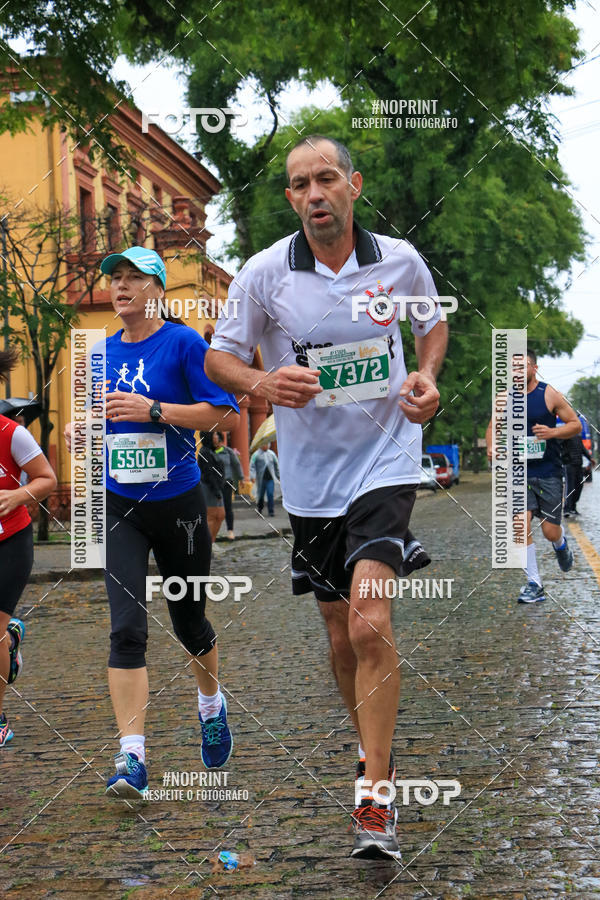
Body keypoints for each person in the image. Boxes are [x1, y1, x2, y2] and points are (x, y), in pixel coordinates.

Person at [205, 135, 447, 860]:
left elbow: (430, 329)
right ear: (290, 198)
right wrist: (259, 385)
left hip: (386, 461)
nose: (314, 193)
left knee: (371, 624)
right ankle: (378, 755)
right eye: (299, 184)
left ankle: (375, 798)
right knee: (341, 635)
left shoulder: (399, 261)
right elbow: (220, 355)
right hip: (312, 484)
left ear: (353, 185)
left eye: (326, 179)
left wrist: (427, 380)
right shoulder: (264, 272)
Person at [64, 246, 240, 797]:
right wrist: (81, 433)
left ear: (157, 288)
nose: (120, 287)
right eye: (114, 278)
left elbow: (223, 411)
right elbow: (97, 416)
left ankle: (210, 705)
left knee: (189, 624)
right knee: (126, 628)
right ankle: (131, 756)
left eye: (132, 277)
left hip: (179, 506)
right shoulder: (99, 352)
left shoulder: (185, 344)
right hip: (120, 505)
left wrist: (156, 411)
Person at [486, 348, 581, 603]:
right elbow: (493, 427)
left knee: (550, 531)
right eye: (514, 368)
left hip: (549, 471)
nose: (518, 371)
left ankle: (560, 544)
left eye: (523, 366)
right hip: (518, 472)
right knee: (520, 523)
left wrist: (552, 433)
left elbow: (576, 425)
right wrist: (492, 446)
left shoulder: (549, 394)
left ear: (534, 368)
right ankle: (534, 584)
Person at [0, 348, 57, 746]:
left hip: (10, 541)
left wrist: (16, 497)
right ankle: (11, 639)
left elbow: (46, 478)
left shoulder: (11, 432)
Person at [197, 430, 226, 542]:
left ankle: (211, 541)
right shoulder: (204, 452)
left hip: (217, 487)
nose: (216, 436)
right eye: (214, 434)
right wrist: (216, 489)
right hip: (209, 488)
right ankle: (207, 544)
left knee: (220, 515)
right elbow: (209, 473)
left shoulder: (212, 451)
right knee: (211, 516)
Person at [215, 432, 244, 539]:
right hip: (214, 484)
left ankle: (230, 530)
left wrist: (241, 478)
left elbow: (236, 464)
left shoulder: (228, 452)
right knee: (214, 508)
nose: (216, 441)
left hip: (227, 482)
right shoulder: (209, 452)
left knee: (227, 507)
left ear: (221, 440)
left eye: (218, 438)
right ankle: (214, 530)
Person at [563, 432, 595, 517]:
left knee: (579, 486)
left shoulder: (578, 436)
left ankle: (573, 507)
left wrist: (590, 458)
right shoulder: (565, 435)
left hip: (578, 465)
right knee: (570, 487)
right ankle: (567, 509)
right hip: (569, 465)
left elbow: (582, 449)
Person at [250, 442, 279, 516]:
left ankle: (271, 511)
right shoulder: (256, 455)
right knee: (260, 495)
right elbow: (252, 466)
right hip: (261, 479)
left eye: (266, 444)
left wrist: (278, 476)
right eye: (264, 444)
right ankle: (260, 508)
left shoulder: (272, 454)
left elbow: (276, 466)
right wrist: (252, 476)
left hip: (270, 479)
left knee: (270, 494)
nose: (265, 446)